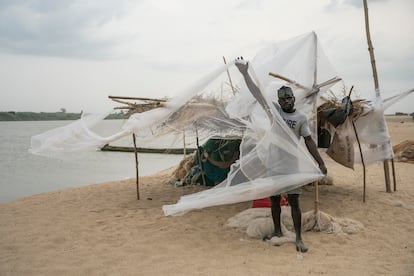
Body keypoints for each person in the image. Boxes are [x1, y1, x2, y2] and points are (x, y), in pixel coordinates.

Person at [235, 58, 327, 253]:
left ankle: (299, 238)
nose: (286, 101)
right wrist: (245, 73)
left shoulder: (300, 118)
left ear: (294, 98)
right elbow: (257, 93)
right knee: (275, 200)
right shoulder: (274, 113)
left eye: (289, 98)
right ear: (279, 101)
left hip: (292, 166)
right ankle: (277, 230)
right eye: (282, 98)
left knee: (294, 202)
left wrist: (320, 163)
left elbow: (309, 141)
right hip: (274, 164)